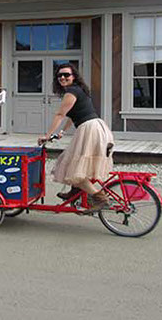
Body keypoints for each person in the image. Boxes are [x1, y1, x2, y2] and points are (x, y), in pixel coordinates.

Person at [37, 63, 115, 214]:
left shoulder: (72, 91)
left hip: (89, 129)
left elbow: (60, 115)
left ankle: (100, 198)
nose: (63, 78)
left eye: (66, 75)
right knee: (75, 162)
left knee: (71, 168)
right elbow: (73, 116)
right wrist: (62, 132)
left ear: (74, 76)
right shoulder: (79, 90)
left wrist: (46, 136)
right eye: (60, 75)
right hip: (95, 127)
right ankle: (75, 191)